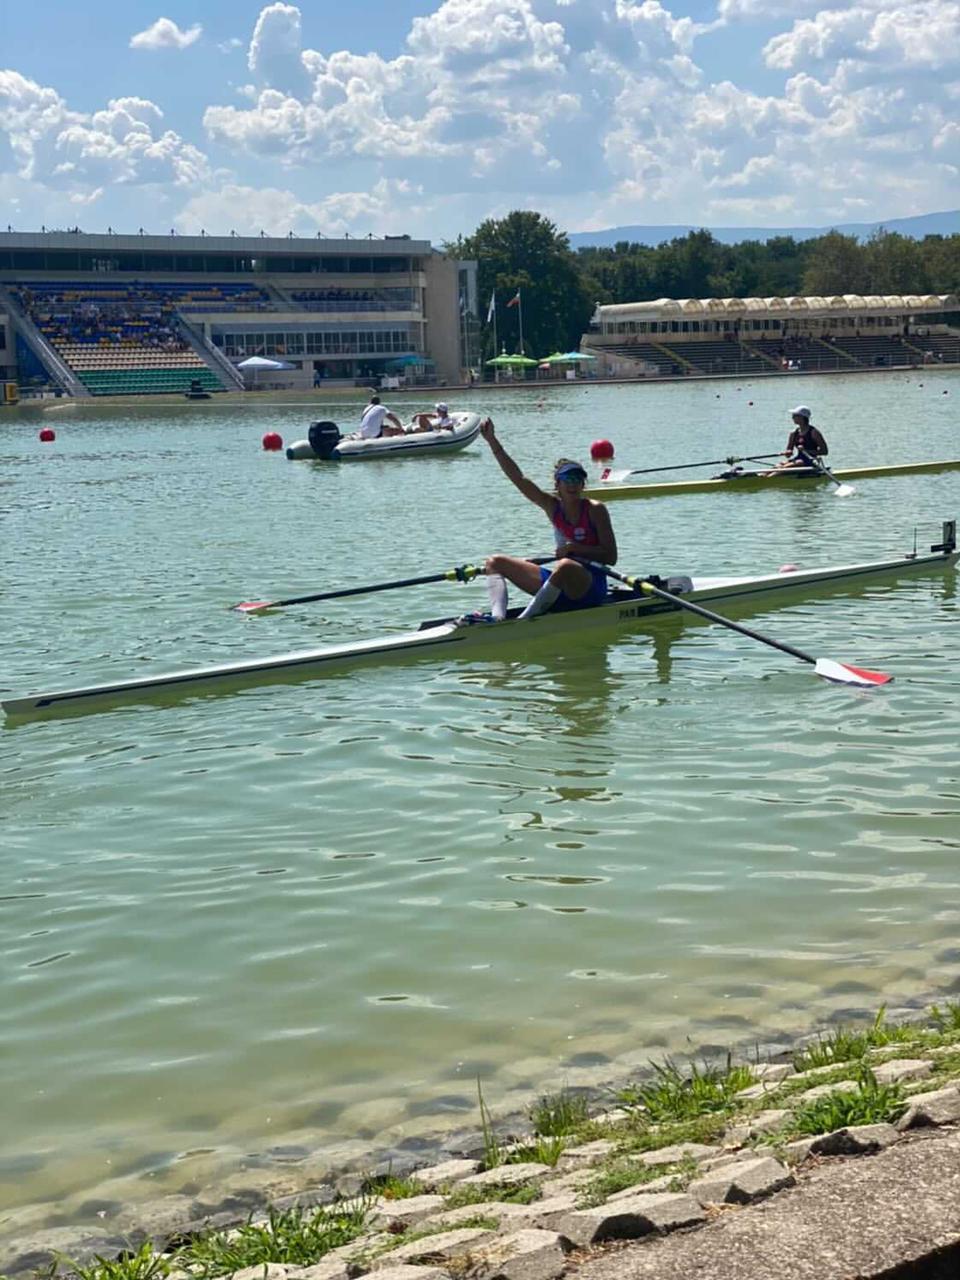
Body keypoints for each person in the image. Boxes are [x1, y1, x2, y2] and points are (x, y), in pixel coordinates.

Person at [462, 418, 617, 624]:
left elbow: (611, 556)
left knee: (565, 566)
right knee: (495, 561)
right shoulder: (552, 506)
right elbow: (518, 478)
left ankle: (523, 622)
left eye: (577, 480)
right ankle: (498, 619)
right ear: (558, 485)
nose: (573, 485)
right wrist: (492, 441)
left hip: (589, 587)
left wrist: (575, 549)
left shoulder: (595, 510)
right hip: (561, 583)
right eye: (567, 480)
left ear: (583, 484)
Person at [770, 405, 828, 470]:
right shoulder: (793, 433)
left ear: (803, 417)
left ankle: (769, 478)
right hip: (798, 459)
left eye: (795, 415)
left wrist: (806, 451)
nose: (792, 417)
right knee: (778, 465)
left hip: (810, 461)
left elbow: (825, 451)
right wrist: (787, 453)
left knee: (783, 468)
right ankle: (762, 477)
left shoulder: (814, 432)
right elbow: (789, 452)